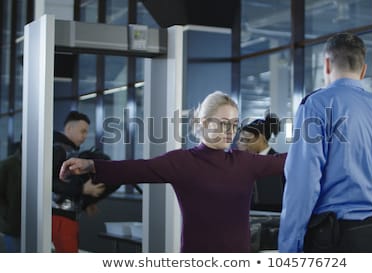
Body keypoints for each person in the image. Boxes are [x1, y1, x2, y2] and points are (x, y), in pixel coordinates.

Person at [59, 91, 286, 253]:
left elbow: (286, 161)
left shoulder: (245, 162)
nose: (230, 131)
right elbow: (137, 169)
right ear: (205, 123)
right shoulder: (183, 162)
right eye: (223, 123)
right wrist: (91, 166)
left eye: (235, 124)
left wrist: (320, 148)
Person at [279, 32, 372, 253]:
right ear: (363, 70)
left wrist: (289, 248)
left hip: (334, 240)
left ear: (326, 64)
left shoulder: (315, 105)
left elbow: (302, 182)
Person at [52, 111, 105, 252]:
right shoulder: (58, 149)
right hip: (59, 218)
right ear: (69, 128)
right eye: (82, 131)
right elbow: (50, 184)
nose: (85, 136)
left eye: (87, 132)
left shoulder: (68, 151)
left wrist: (84, 200)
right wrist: (82, 189)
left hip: (67, 217)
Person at [238, 113, 285, 252]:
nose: (240, 145)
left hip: (270, 235)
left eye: (246, 140)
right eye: (240, 140)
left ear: (261, 139)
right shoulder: (244, 163)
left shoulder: (277, 165)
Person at [0, 142, 22, 252]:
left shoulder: (38, 166)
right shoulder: (7, 165)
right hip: (13, 226)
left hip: (35, 226)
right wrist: (6, 215)